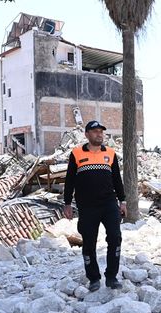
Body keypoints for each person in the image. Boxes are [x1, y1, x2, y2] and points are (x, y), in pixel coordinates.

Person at [64, 120, 127, 292]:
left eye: (101, 131)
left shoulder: (111, 154)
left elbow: (117, 179)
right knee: (89, 243)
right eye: (95, 131)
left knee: (115, 237)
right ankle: (93, 278)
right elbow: (69, 180)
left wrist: (123, 201)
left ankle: (112, 277)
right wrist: (67, 203)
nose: (99, 134)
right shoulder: (76, 154)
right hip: (87, 206)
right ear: (87, 134)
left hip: (109, 204)